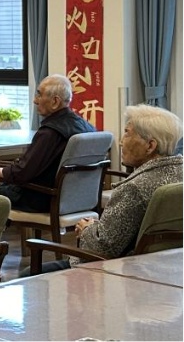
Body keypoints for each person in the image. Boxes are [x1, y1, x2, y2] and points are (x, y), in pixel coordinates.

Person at [25, 105, 183, 275]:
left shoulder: (134, 189)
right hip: (167, 269)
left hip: (119, 272)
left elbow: (101, 249)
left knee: (27, 274)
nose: (121, 142)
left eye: (127, 133)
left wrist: (86, 229)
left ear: (150, 145)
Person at [0, 74, 95, 212]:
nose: (34, 100)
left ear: (55, 101)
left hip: (43, 200)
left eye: (39, 94)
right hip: (77, 200)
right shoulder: (88, 128)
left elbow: (21, 173)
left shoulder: (50, 133)